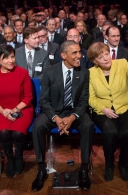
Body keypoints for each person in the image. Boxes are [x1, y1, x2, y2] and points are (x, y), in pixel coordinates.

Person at [31, 40, 94, 192]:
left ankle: (84, 169)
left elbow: (84, 100)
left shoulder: (84, 72)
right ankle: (41, 169)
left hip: (75, 111)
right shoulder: (49, 72)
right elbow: (44, 100)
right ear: (63, 55)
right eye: (75, 53)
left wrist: (72, 117)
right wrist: (57, 119)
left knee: (88, 126)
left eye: (80, 52)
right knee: (38, 127)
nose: (79, 55)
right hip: (54, 112)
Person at [88, 42, 128, 182]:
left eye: (107, 54)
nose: (106, 58)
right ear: (95, 61)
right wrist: (103, 108)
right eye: (101, 57)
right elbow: (90, 98)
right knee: (111, 132)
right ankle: (109, 165)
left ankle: (123, 164)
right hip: (102, 110)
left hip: (126, 106)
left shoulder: (122, 63)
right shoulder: (90, 73)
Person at [0, 44, 34, 178]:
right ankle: (10, 159)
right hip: (1, 110)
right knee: (3, 133)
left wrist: (14, 110)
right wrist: (4, 112)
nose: (10, 60)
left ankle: (18, 157)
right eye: (6, 58)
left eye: (12, 57)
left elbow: (28, 97)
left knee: (19, 133)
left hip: (22, 108)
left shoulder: (22, 72)